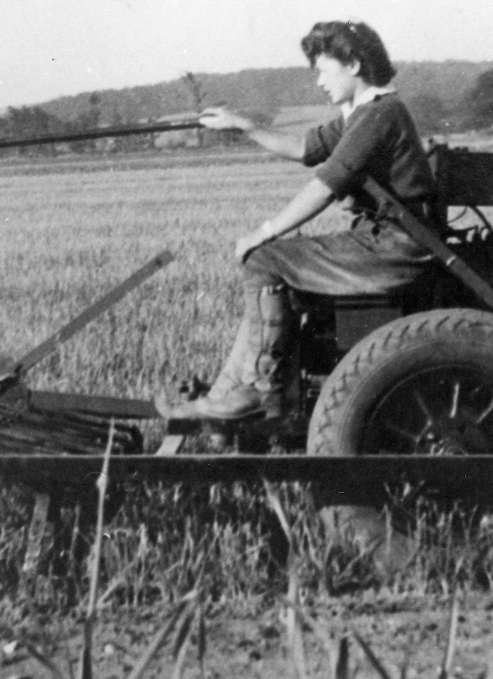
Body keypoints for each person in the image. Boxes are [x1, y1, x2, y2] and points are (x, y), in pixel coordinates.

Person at [158, 20, 439, 421]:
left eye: (324, 70)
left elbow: (325, 185)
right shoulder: (365, 114)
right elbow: (305, 148)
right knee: (270, 260)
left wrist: (264, 232)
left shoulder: (378, 115)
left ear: (354, 65)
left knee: (265, 259)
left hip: (395, 249)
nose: (320, 82)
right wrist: (242, 125)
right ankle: (230, 393)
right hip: (388, 241)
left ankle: (262, 391)